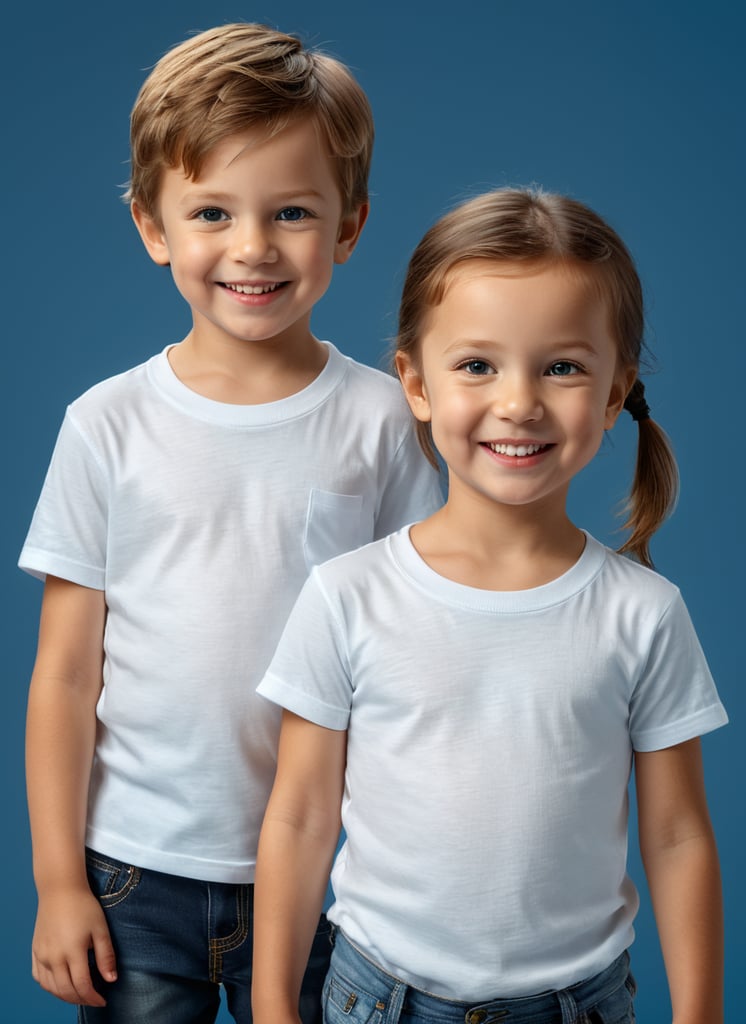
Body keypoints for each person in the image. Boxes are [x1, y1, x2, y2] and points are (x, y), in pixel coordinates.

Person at [20, 22, 442, 1024]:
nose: (252, 247)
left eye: (291, 212)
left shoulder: (381, 418)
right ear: (153, 226)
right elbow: (67, 673)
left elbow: (418, 642)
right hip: (131, 876)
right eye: (212, 211)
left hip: (323, 873)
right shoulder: (107, 424)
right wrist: (56, 881)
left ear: (348, 226)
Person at [251, 188, 728, 1024]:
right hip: (376, 1000)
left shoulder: (643, 615)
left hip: (575, 1005)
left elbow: (678, 834)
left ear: (614, 394)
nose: (518, 403)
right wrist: (270, 1006)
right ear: (416, 382)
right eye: (477, 364)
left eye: (562, 367)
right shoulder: (347, 597)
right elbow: (297, 817)